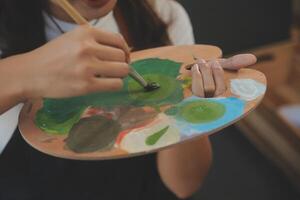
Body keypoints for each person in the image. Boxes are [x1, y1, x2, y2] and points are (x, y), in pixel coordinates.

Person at [0, 0, 255, 199]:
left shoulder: (162, 16)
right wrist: (23, 73)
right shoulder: (7, 34)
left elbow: (184, 185)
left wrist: (187, 102)